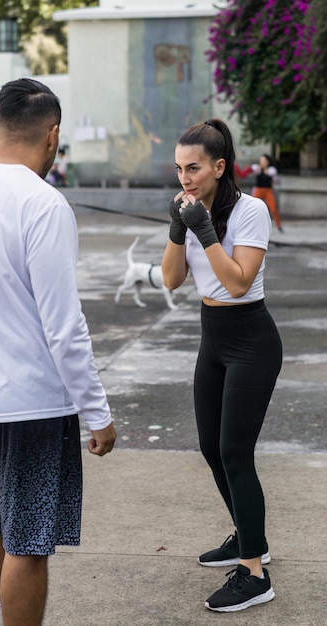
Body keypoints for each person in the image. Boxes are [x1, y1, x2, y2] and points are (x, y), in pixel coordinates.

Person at [0, 78, 116, 626]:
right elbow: (64, 326)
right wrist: (98, 412)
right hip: (31, 405)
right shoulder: (44, 205)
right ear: (53, 135)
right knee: (28, 543)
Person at [162, 119, 282, 613]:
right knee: (211, 447)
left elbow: (237, 283)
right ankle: (249, 535)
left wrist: (205, 231)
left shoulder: (251, 211)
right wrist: (177, 227)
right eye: (178, 169)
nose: (184, 178)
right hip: (212, 337)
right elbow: (171, 280)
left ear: (219, 166)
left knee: (235, 450)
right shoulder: (189, 210)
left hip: (251, 339)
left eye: (193, 168)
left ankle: (255, 575)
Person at [250, 153, 283, 232]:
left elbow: (276, 181)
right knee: (253, 207)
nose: (262, 163)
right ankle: (252, 225)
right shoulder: (257, 169)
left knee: (273, 208)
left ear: (268, 162)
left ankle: (279, 226)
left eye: (264, 161)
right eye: (261, 161)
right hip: (259, 189)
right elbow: (250, 171)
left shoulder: (271, 170)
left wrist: (274, 179)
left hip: (268, 190)